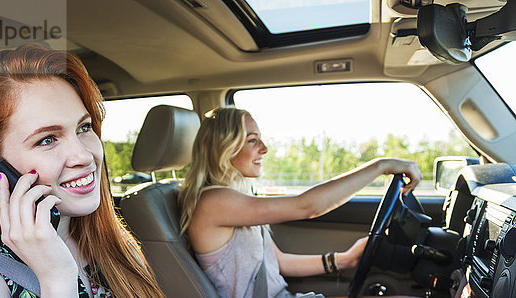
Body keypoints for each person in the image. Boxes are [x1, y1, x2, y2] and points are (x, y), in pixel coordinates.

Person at [0, 44, 164, 297]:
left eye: (84, 127)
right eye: (47, 139)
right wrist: (57, 280)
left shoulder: (115, 245)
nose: (83, 155)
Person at [178, 107, 423, 298]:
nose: (264, 148)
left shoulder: (235, 200)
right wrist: (381, 166)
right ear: (223, 147)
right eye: (252, 140)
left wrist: (344, 259)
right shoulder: (212, 202)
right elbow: (307, 206)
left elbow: (279, 262)